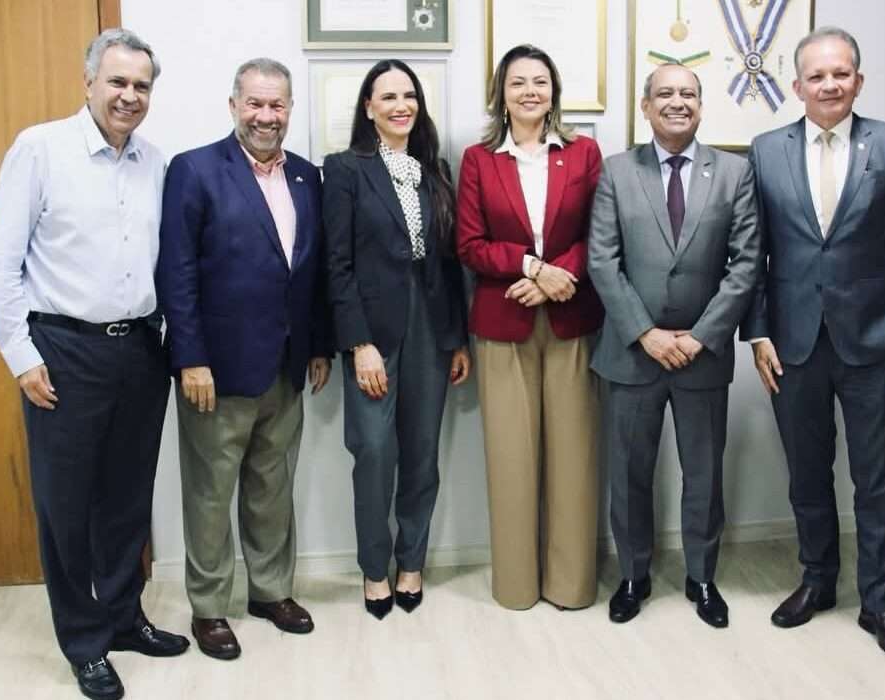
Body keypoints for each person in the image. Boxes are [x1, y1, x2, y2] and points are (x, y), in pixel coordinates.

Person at [0, 28, 188, 700]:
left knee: (127, 500)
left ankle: (124, 617)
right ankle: (84, 640)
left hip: (140, 351)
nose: (129, 96)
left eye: (141, 86)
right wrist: (21, 355)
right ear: (89, 82)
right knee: (65, 506)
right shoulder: (40, 150)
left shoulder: (157, 164)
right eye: (117, 82)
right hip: (64, 350)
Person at [741, 27, 885, 660]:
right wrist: (759, 330)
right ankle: (818, 580)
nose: (830, 85)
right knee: (807, 473)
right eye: (817, 76)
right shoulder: (765, 151)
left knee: (876, 480)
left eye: (841, 74)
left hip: (875, 340)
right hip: (792, 343)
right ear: (796, 86)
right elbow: (755, 254)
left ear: (859, 79)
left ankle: (879, 603)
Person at [156, 58, 332, 659]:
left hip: (286, 364)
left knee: (271, 486)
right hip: (217, 369)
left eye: (277, 105)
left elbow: (312, 272)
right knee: (210, 492)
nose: (266, 116)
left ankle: (270, 591)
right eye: (254, 103)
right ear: (233, 105)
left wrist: (317, 346)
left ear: (289, 109)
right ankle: (209, 607)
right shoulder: (196, 170)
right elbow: (175, 272)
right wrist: (190, 357)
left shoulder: (308, 177)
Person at [588, 63, 760, 628]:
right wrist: (647, 333)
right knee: (630, 474)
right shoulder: (616, 171)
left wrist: (703, 335)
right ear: (645, 106)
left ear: (702, 106)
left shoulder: (735, 174)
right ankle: (634, 576)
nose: (677, 102)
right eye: (665, 93)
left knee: (703, 475)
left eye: (688, 94)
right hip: (633, 352)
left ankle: (702, 578)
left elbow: (746, 265)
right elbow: (602, 262)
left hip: (702, 355)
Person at [456, 45, 603, 610]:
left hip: (570, 319)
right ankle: (516, 586)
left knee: (574, 459)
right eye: (518, 83)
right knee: (512, 459)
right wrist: (531, 267)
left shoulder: (585, 153)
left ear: (554, 91)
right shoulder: (478, 159)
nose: (529, 92)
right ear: (502, 93)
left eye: (540, 81)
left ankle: (571, 585)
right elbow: (468, 243)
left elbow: (601, 232)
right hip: (503, 324)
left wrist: (559, 276)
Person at [322, 59, 470, 619]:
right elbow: (336, 266)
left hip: (431, 327)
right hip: (372, 331)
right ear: (368, 107)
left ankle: (412, 561)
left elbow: (451, 263)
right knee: (373, 451)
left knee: (422, 454)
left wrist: (456, 339)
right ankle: (373, 567)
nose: (400, 105)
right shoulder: (344, 170)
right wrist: (358, 344)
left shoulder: (435, 171)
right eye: (387, 97)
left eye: (409, 95)